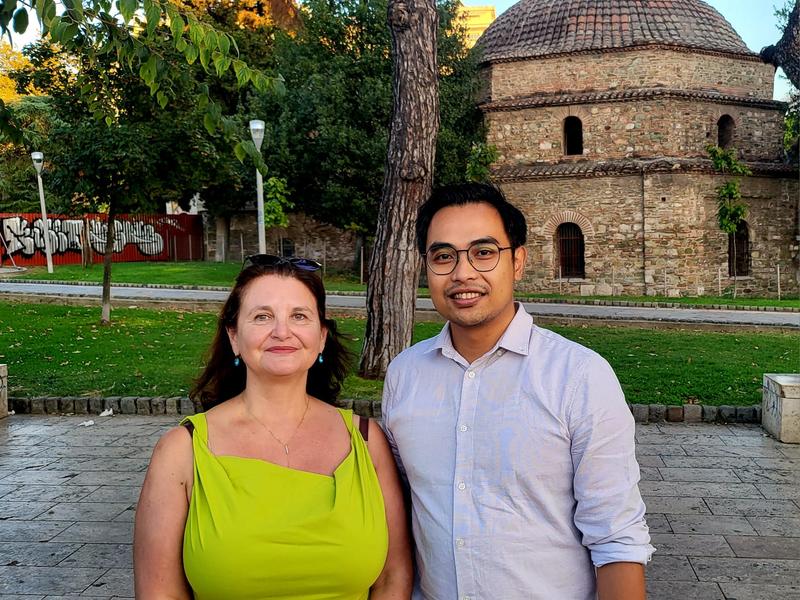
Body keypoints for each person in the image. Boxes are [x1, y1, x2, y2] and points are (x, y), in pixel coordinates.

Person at [382, 183, 654, 600]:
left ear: (519, 261)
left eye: (483, 252)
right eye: (443, 256)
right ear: (426, 267)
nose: (463, 273)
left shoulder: (580, 377)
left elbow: (617, 539)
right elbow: (404, 512)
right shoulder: (405, 376)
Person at [134, 254, 412, 600]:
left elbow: (392, 578)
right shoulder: (182, 450)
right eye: (262, 316)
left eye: (299, 316)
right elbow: (160, 593)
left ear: (322, 336)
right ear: (234, 336)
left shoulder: (368, 443)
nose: (282, 331)